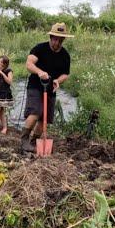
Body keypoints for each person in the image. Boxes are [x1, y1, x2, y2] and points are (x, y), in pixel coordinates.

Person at [20, 22, 73, 153]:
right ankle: (24, 140)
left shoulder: (65, 55)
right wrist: (39, 72)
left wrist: (57, 80)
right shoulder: (40, 48)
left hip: (50, 88)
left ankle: (34, 142)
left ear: (63, 40)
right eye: (55, 39)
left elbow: (66, 74)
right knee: (35, 112)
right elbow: (29, 63)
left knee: (45, 119)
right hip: (36, 86)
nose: (57, 43)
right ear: (51, 37)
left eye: (61, 40)